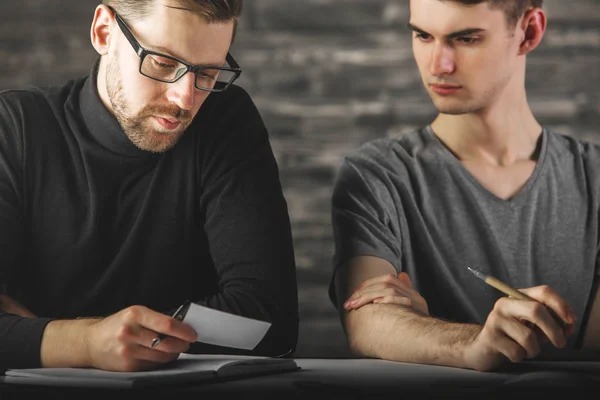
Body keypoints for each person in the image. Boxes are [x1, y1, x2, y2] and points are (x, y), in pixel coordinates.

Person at [0, 0, 299, 372]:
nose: (185, 99)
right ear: (104, 32)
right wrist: (91, 342)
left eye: (208, 73)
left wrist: (49, 336)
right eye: (162, 63)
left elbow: (270, 324)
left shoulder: (224, 121)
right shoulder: (14, 129)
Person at [329, 0, 600, 372]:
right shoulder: (376, 176)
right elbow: (366, 322)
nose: (438, 65)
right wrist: (473, 343)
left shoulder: (594, 177)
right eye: (423, 35)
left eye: (467, 39)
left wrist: (422, 332)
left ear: (529, 32)